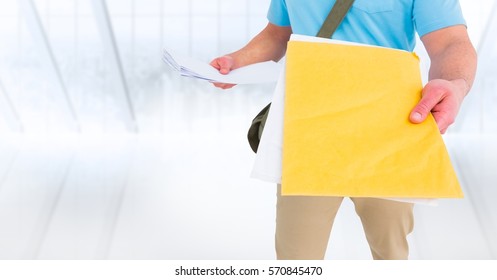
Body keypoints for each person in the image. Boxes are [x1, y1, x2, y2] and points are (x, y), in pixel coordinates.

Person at [210, 0, 477, 260]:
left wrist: (455, 83)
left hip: (389, 136)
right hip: (309, 133)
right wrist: (236, 60)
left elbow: (450, 41)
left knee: (391, 255)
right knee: (297, 258)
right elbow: (277, 34)